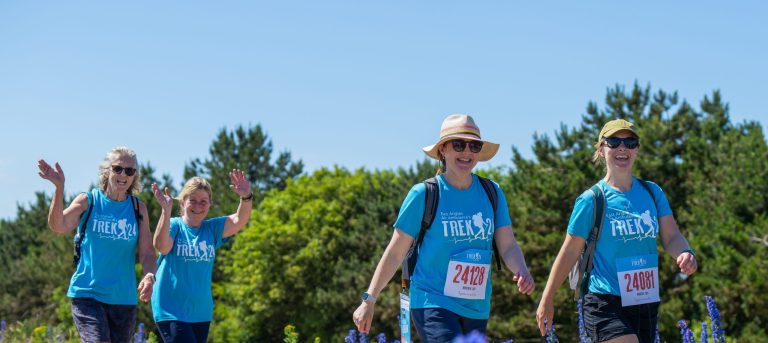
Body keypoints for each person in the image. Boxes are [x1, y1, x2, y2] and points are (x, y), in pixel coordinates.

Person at [353, 114, 535, 343]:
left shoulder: (492, 192)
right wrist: (369, 300)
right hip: (432, 301)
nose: (467, 152)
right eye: (458, 145)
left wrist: (522, 270)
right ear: (443, 150)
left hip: (477, 307)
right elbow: (395, 252)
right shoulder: (423, 194)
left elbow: (507, 245)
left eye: (474, 146)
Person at [535, 119, 698, 343]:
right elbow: (570, 251)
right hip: (604, 299)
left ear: (637, 149)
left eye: (630, 142)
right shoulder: (591, 200)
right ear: (601, 149)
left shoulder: (653, 192)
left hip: (644, 299)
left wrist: (685, 252)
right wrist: (547, 298)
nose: (622, 147)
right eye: (614, 141)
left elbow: (671, 236)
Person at [37, 147, 157, 343]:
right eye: (118, 168)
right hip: (88, 295)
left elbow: (147, 253)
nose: (123, 175)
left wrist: (150, 275)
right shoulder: (89, 201)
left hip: (123, 299)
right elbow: (58, 225)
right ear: (106, 171)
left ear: (134, 176)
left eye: (129, 171)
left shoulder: (138, 208)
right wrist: (59, 188)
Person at [150, 171, 253, 343]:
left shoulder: (211, 229)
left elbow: (239, 220)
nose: (198, 206)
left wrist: (246, 196)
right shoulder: (175, 225)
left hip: (201, 313)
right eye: (193, 201)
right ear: (182, 202)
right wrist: (165, 212)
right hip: (171, 310)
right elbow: (162, 246)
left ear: (210, 204)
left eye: (203, 201)